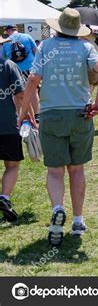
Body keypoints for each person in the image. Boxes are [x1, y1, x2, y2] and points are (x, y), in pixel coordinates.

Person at [18, 8, 98, 246]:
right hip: (81, 114)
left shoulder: (46, 47)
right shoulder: (86, 47)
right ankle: (78, 221)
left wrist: (23, 113)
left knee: (55, 171)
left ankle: (58, 209)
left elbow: (33, 79)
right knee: (77, 170)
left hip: (52, 114)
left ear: (58, 27)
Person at [0, 38, 27, 222]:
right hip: (8, 124)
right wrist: (24, 115)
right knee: (12, 164)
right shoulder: (8, 65)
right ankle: (4, 198)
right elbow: (20, 94)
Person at [2, 24, 40, 117]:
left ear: (8, 31)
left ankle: (21, 115)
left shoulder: (6, 42)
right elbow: (36, 52)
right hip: (30, 68)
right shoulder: (27, 36)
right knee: (33, 92)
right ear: (16, 29)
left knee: (17, 93)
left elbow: (4, 58)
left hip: (15, 71)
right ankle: (37, 115)